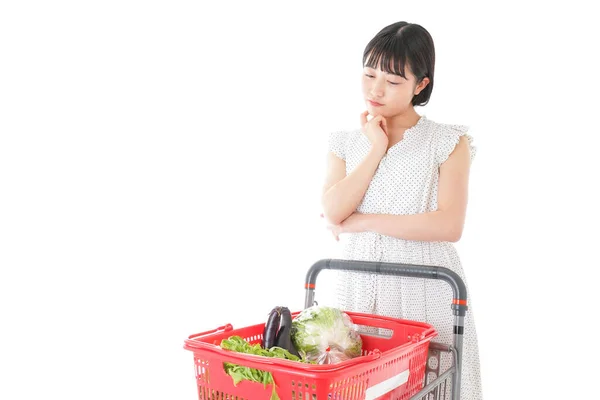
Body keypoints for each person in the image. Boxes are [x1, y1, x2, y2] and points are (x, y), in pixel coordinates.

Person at [320, 21, 483, 399]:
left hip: (427, 284)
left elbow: (449, 223)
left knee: (430, 381)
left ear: (421, 85)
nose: (376, 89)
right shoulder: (346, 143)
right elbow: (332, 210)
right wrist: (375, 147)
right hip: (357, 279)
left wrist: (361, 221)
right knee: (357, 380)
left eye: (393, 81)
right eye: (369, 74)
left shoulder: (447, 141)